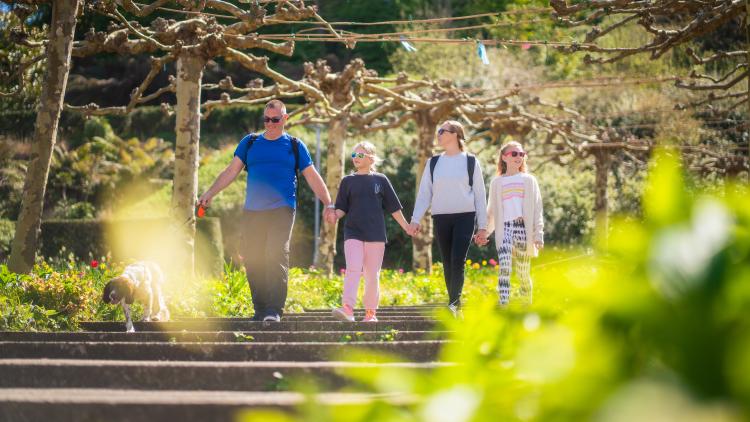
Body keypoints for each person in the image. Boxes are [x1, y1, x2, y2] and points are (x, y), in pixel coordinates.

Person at [198, 99, 336, 322]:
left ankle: (274, 310)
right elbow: (231, 171)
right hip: (253, 211)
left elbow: (312, 176)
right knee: (253, 259)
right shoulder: (250, 143)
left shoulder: (294, 145)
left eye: (275, 119)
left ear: (285, 119)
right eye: (267, 119)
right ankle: (260, 309)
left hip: (282, 209)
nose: (270, 123)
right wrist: (210, 193)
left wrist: (328, 203)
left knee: (275, 253)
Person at [408, 120, 488, 315]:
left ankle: (454, 304)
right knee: (447, 261)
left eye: (443, 131)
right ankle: (454, 303)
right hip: (441, 217)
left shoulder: (470, 161)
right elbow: (425, 193)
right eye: (438, 131)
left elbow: (479, 194)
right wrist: (415, 219)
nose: (439, 134)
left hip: (465, 217)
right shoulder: (433, 162)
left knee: (457, 259)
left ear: (455, 134)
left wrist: (483, 227)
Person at [328, 141, 411, 322]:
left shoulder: (381, 180)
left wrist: (406, 226)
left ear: (371, 158)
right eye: (354, 155)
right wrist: (334, 215)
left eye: (360, 155)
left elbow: (394, 208)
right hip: (353, 233)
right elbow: (342, 208)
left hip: (376, 235)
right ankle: (348, 309)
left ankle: (370, 313)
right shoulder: (347, 181)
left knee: (372, 275)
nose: (355, 158)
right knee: (353, 269)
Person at [478, 140, 544, 305]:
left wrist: (538, 234)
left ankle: (526, 306)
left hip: (523, 229)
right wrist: (484, 231)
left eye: (521, 154)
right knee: (505, 268)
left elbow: (537, 209)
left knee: (523, 271)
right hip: (505, 229)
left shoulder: (529, 180)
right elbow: (491, 211)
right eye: (514, 153)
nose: (518, 157)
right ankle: (504, 305)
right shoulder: (497, 182)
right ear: (504, 157)